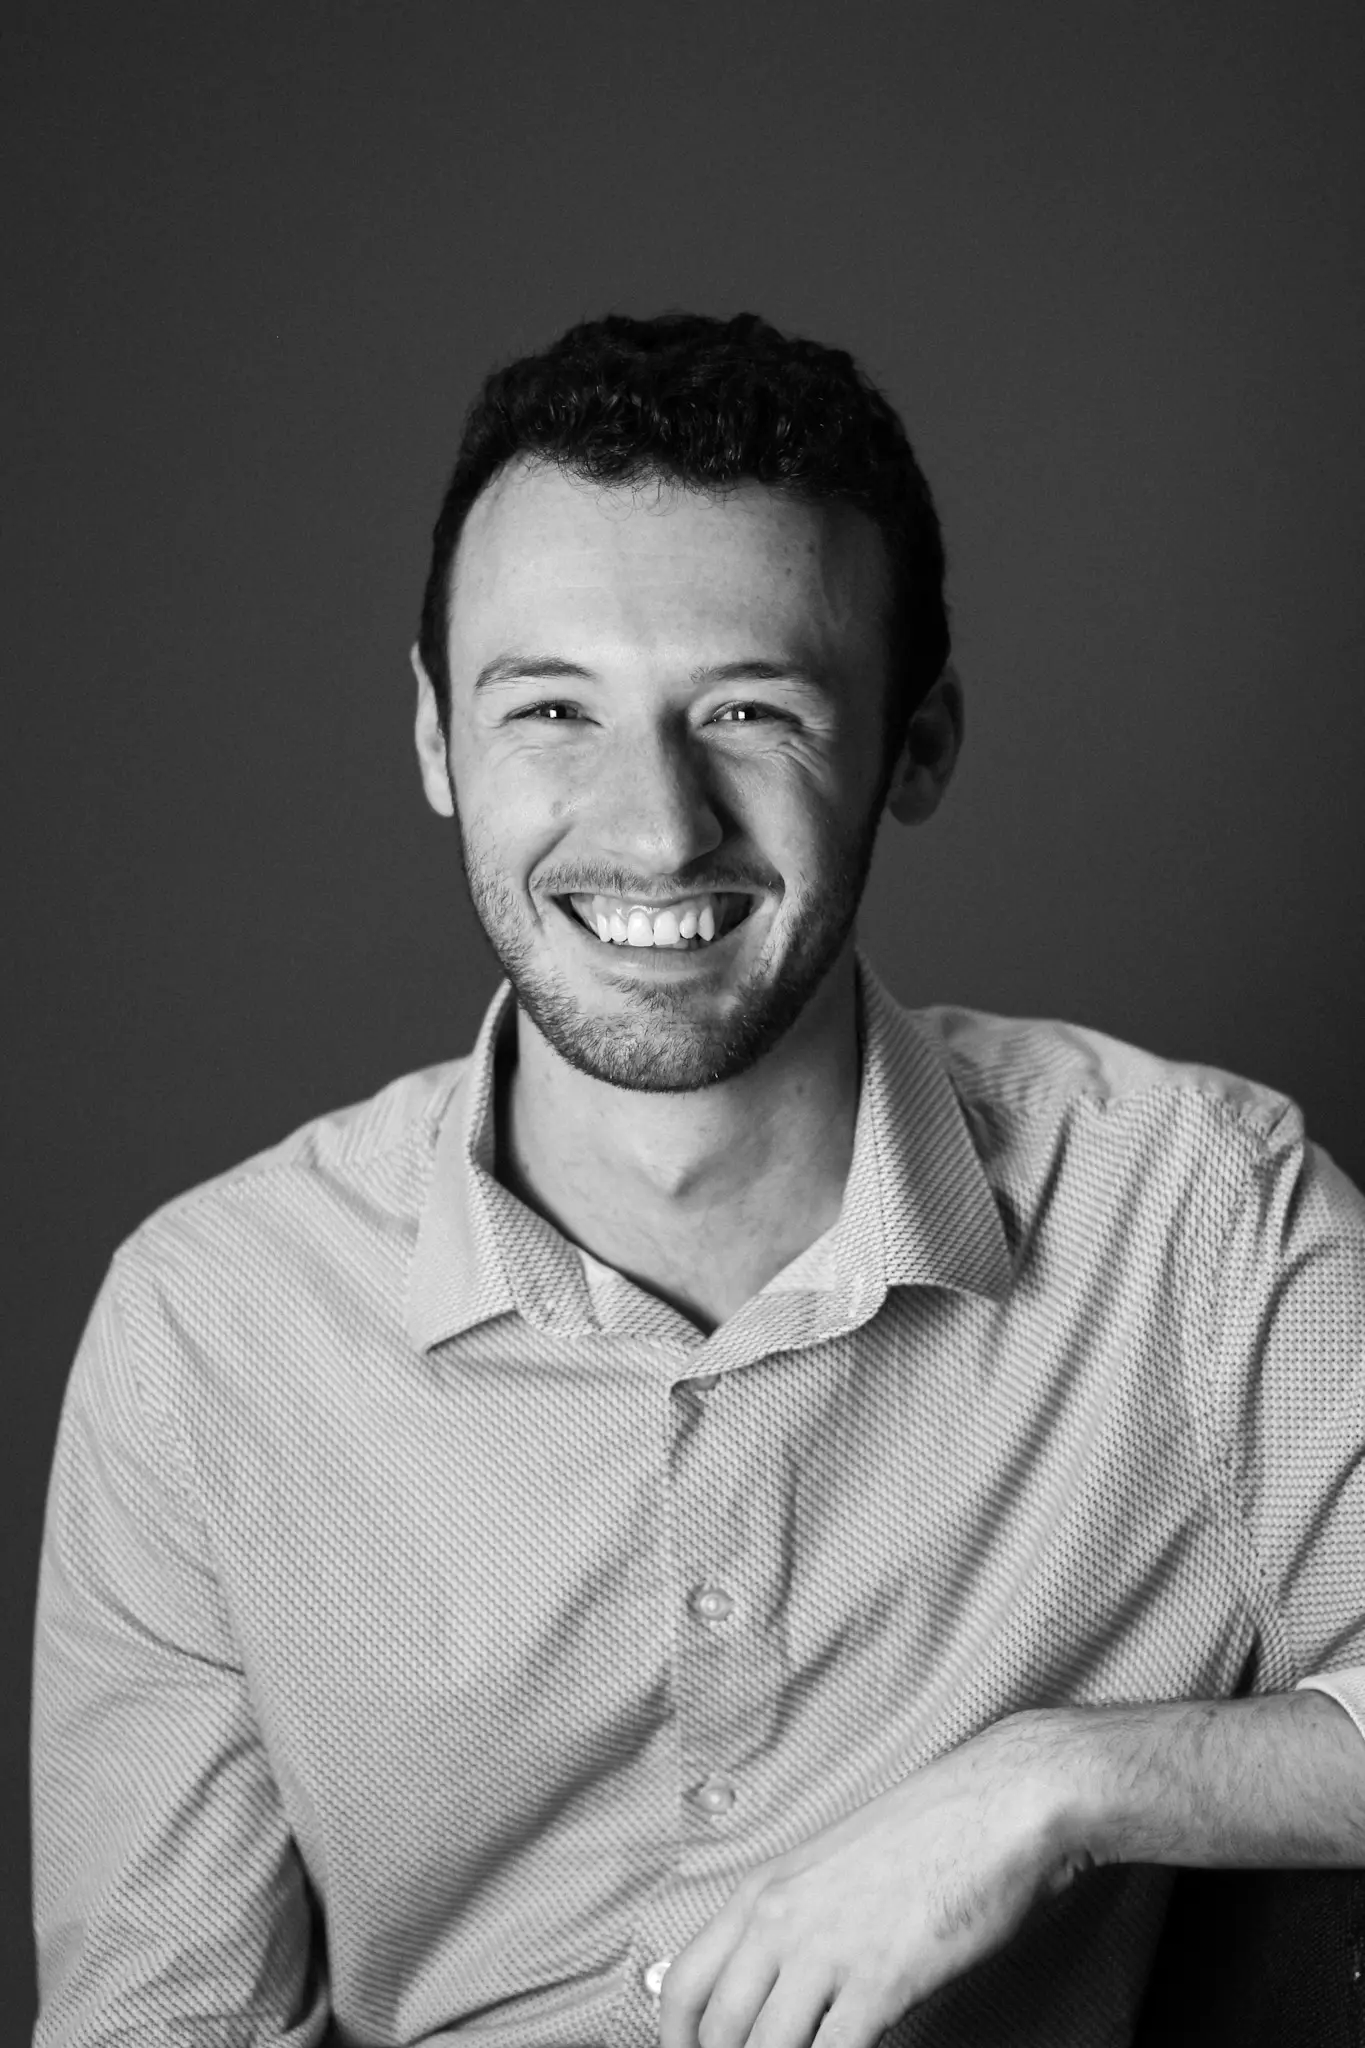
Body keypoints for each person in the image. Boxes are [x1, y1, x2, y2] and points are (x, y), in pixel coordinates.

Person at [31, 310, 1365, 2048]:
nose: (656, 829)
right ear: (437, 741)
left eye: (749, 711)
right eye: (552, 710)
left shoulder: (1196, 1215)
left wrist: (1057, 1784)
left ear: (916, 744)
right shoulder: (204, 1329)